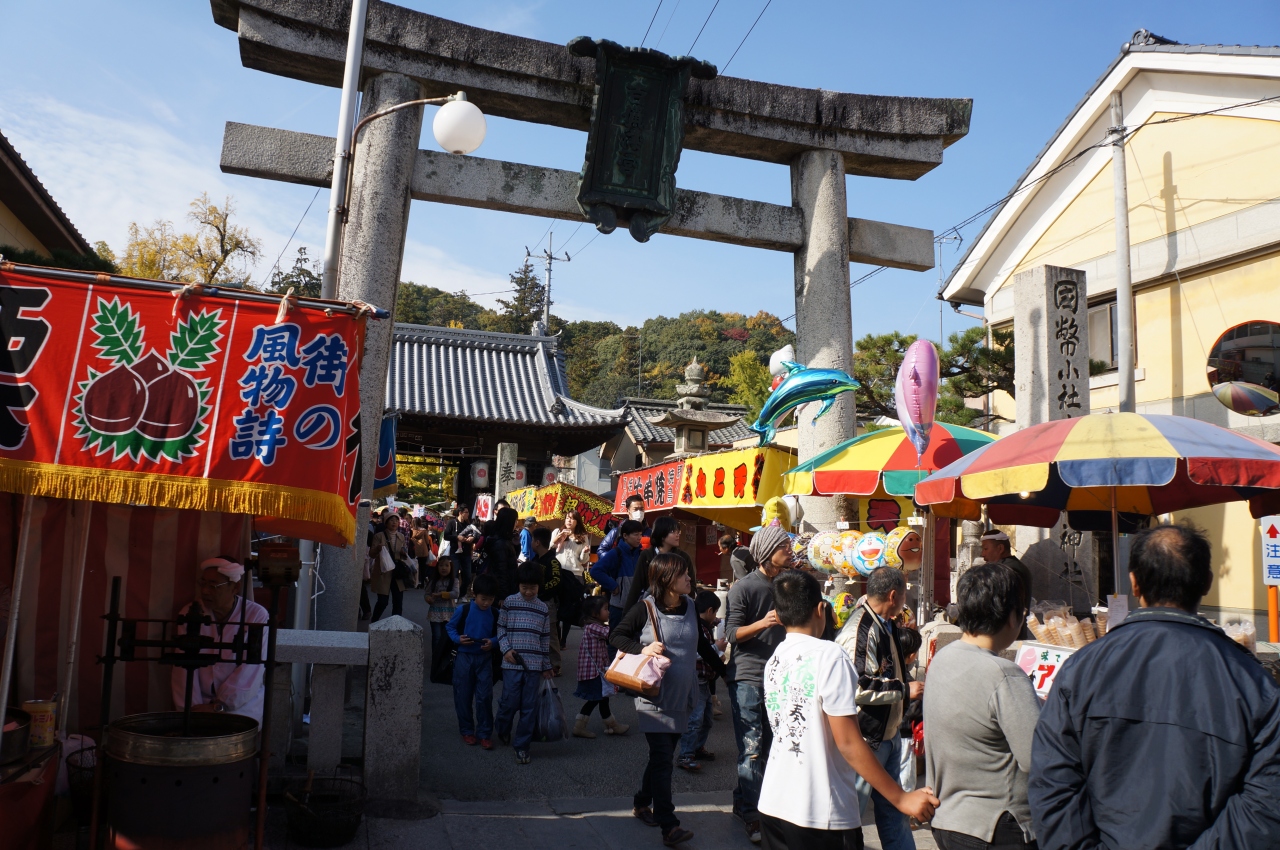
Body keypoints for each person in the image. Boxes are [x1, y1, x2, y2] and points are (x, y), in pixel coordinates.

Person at [1029, 523, 1280, 849]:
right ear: (1207, 582)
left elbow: (1053, 784)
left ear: (1134, 583)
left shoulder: (1082, 669)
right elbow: (1266, 803)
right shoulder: (1252, 681)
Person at [758, 569, 938, 850]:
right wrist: (902, 798)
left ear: (778, 616)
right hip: (820, 813)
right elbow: (849, 743)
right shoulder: (831, 655)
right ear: (821, 609)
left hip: (773, 803)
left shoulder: (775, 658)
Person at [610, 553, 725, 847]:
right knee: (663, 760)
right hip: (654, 698)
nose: (689, 578)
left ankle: (641, 802)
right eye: (683, 574)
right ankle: (669, 825)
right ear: (666, 579)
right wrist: (642, 649)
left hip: (683, 696)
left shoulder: (690, 606)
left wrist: (726, 673)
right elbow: (616, 636)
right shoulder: (645, 608)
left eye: (688, 573)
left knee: (661, 758)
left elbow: (702, 645)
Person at [926, 564, 1041, 850]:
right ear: (1012, 615)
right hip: (997, 825)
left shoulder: (943, 658)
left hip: (948, 820)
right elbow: (1038, 757)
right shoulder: (1004, 674)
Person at [835, 566, 921, 850]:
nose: (905, 602)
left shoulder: (886, 623)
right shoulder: (861, 629)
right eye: (904, 595)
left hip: (888, 735)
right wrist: (904, 690)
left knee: (895, 814)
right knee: (850, 816)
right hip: (867, 739)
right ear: (893, 595)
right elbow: (857, 686)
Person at [724, 521, 791, 844]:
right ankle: (753, 815)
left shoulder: (786, 586)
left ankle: (743, 801)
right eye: (783, 546)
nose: (789, 550)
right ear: (766, 552)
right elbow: (731, 634)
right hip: (747, 677)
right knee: (751, 749)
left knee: (767, 747)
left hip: (778, 677)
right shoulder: (743, 588)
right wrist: (763, 623)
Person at [170, 557, 269, 723]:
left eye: (213, 586)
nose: (205, 591)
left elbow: (251, 669)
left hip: (242, 708)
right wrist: (191, 709)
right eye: (203, 584)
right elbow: (183, 668)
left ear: (235, 587)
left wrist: (221, 705)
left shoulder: (256, 615)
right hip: (198, 706)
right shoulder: (190, 613)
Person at [495, 563, 553, 765]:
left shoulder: (543, 608)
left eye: (533, 587)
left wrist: (546, 665)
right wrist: (505, 649)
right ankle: (502, 727)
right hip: (511, 664)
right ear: (518, 585)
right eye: (524, 587)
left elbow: (545, 639)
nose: (528, 592)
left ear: (539, 586)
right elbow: (500, 628)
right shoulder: (509, 603)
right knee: (509, 702)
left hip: (534, 667)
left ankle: (522, 746)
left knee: (529, 707)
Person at [447, 574, 500, 748]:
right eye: (483, 599)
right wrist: (458, 639)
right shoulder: (463, 610)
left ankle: (485, 733)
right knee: (463, 695)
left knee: (484, 696)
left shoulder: (495, 613)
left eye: (490, 599)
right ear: (474, 594)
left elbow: (502, 633)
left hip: (484, 658)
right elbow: (450, 627)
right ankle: (467, 730)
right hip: (464, 657)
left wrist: (493, 642)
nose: (486, 603)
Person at [677, 590, 724, 772]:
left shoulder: (705, 626)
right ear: (710, 610)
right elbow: (695, 653)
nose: (716, 617)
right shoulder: (697, 628)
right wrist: (716, 648)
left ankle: (697, 748)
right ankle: (686, 754)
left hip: (705, 682)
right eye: (715, 612)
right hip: (696, 681)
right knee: (695, 720)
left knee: (706, 720)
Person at [572, 596, 629, 738]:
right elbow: (611, 634)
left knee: (602, 698)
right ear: (594, 613)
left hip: (596, 670)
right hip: (592, 672)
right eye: (605, 609)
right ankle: (581, 726)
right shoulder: (593, 628)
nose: (608, 612)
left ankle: (611, 725)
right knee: (596, 698)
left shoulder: (594, 626)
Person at [625, 515, 697, 615]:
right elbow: (636, 586)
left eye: (678, 532)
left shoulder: (683, 557)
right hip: (652, 609)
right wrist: (627, 614)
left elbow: (692, 586)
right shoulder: (646, 555)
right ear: (662, 535)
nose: (677, 535)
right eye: (673, 531)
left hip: (677, 609)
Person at [591, 519, 644, 628]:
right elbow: (595, 571)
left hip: (637, 607)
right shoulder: (616, 553)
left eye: (640, 534)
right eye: (636, 534)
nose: (639, 538)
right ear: (625, 536)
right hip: (619, 607)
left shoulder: (641, 554)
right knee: (615, 637)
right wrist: (613, 585)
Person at [530, 526, 563, 674]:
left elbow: (556, 581)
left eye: (532, 540)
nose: (531, 543)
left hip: (547, 602)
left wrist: (540, 589)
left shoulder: (552, 561)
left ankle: (555, 664)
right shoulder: (535, 560)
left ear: (537, 542)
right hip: (533, 600)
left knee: (550, 634)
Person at [369, 512, 414, 622]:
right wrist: (377, 549)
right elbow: (371, 554)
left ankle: (396, 624)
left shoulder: (401, 536)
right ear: (386, 522)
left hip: (397, 572)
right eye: (391, 520)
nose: (394, 523)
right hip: (383, 571)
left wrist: (404, 552)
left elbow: (404, 552)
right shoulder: (379, 536)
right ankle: (374, 622)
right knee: (383, 601)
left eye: (396, 521)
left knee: (398, 601)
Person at [895, 627, 923, 794]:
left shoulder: (889, 671)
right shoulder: (908, 680)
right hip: (904, 734)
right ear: (912, 655)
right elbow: (912, 710)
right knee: (905, 779)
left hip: (890, 734)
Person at [980, 530, 1031, 616]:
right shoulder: (1011, 565)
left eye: (986, 549)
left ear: (1000, 548)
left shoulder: (1006, 570)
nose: (983, 554)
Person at [425, 557, 461, 670]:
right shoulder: (433, 581)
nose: (443, 568)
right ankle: (436, 659)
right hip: (435, 613)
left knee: (447, 637)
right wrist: (429, 599)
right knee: (436, 637)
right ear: (437, 567)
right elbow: (427, 594)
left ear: (451, 567)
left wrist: (441, 594)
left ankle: (445, 659)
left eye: (446, 565)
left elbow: (455, 594)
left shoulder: (454, 581)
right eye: (441, 565)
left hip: (449, 614)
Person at [485, 507, 521, 599]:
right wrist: (503, 596)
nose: (516, 523)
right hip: (503, 592)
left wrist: (516, 544)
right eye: (515, 521)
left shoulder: (506, 539)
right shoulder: (500, 544)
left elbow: (512, 558)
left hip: (507, 588)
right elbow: (501, 571)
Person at [444, 505, 479, 597]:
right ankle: (452, 593)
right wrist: (457, 538)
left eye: (468, 512)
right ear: (460, 513)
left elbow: (477, 535)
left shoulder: (468, 524)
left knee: (467, 576)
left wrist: (472, 538)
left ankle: (461, 594)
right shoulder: (452, 523)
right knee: (454, 574)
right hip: (455, 552)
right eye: (466, 512)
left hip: (466, 553)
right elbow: (446, 536)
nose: (468, 514)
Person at [552, 510, 592, 577]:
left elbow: (583, 561)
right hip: (558, 572)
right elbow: (549, 548)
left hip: (575, 574)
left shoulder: (583, 537)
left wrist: (585, 552)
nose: (569, 520)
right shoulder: (557, 532)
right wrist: (558, 537)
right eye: (567, 518)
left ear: (577, 522)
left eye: (572, 519)